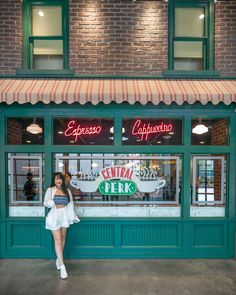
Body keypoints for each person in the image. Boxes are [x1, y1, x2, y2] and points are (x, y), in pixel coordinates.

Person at [44, 172, 80, 279]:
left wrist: (72, 216)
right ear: (53, 181)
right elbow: (45, 203)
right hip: (54, 215)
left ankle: (58, 260)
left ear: (63, 180)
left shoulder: (67, 190)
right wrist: (51, 202)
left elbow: (71, 205)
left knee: (63, 239)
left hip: (65, 215)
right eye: (56, 179)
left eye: (60, 179)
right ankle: (62, 266)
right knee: (58, 239)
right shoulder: (50, 190)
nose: (58, 181)